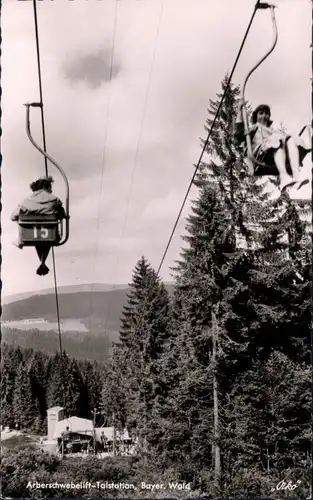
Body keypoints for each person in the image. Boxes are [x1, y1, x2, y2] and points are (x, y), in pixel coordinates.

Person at [234, 101, 311, 192]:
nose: (264, 116)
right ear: (256, 116)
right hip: (260, 155)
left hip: (274, 153)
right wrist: (239, 110)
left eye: (266, 113)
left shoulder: (273, 131)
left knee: (289, 139)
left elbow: (287, 139)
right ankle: (284, 177)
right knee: (277, 139)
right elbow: (238, 137)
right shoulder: (253, 128)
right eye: (261, 113)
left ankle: (295, 177)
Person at [11, 176, 66, 276]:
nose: (51, 191)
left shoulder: (26, 201)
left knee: (35, 233)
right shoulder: (54, 199)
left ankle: (42, 261)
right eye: (50, 188)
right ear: (46, 187)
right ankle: (42, 261)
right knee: (48, 234)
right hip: (49, 232)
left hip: (30, 233)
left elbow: (13, 216)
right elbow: (61, 213)